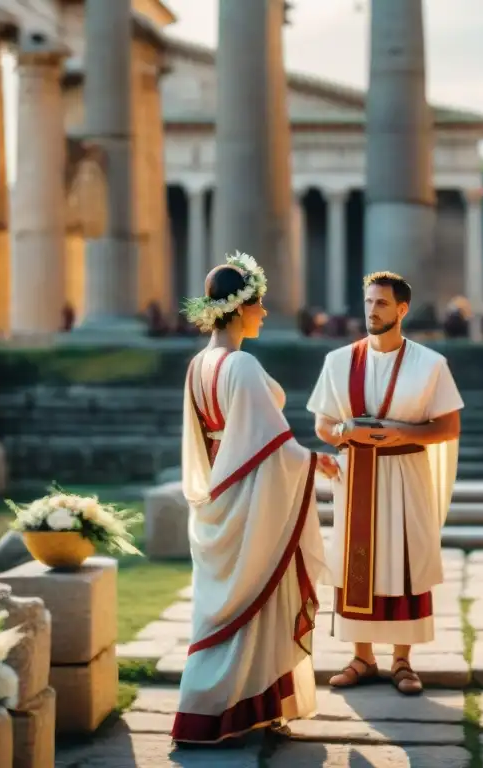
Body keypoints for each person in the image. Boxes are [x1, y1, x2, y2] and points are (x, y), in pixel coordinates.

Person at [171, 252, 339, 746]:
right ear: (241, 308)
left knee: (236, 601)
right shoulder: (241, 365)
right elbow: (273, 443)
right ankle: (228, 710)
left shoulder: (199, 363)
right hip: (247, 494)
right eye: (260, 304)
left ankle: (247, 709)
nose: (265, 313)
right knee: (257, 596)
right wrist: (315, 462)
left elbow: (220, 439)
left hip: (224, 490)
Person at [307, 271, 463, 696]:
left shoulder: (430, 364)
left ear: (402, 309)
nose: (371, 310)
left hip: (406, 472)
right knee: (356, 563)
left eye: (381, 303)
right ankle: (362, 657)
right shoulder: (338, 361)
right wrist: (344, 433)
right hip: (356, 472)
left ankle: (403, 661)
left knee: (405, 561)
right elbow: (321, 422)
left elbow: (448, 427)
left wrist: (403, 433)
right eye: (368, 302)